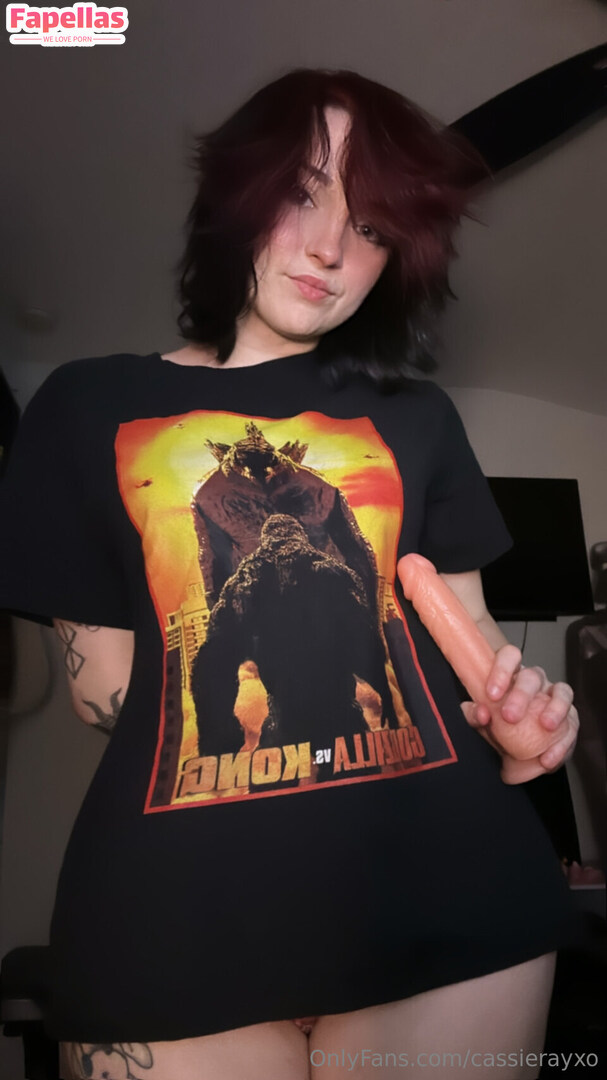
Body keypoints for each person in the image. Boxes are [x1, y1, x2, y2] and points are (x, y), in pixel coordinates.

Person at [0, 70, 581, 1080]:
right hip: (174, 914)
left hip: (451, 887)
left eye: (371, 225)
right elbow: (108, 698)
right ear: (237, 193)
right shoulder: (86, 405)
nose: (328, 247)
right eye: (302, 193)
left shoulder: (415, 416)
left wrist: (518, 713)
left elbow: (468, 641)